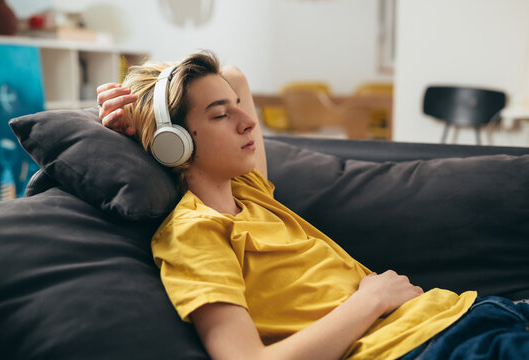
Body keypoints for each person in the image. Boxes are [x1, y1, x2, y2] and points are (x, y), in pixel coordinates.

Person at [97, 51, 529, 360]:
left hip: (475, 313)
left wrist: (153, 96)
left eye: (235, 108)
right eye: (219, 115)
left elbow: (234, 75)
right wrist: (371, 300)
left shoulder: (248, 192)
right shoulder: (196, 233)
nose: (247, 120)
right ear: (176, 145)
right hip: (432, 346)